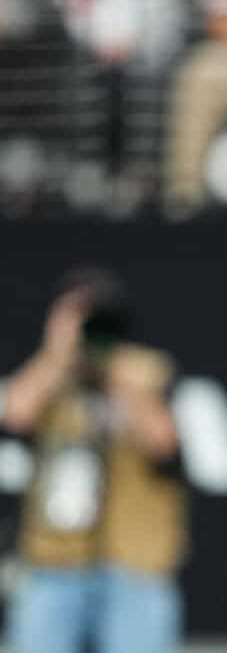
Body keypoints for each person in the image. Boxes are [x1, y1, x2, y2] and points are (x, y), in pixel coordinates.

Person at [1, 268, 186, 653]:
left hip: (135, 560)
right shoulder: (50, 373)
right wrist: (57, 354)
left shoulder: (145, 369)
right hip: (54, 559)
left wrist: (111, 370)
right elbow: (16, 413)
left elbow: (164, 444)